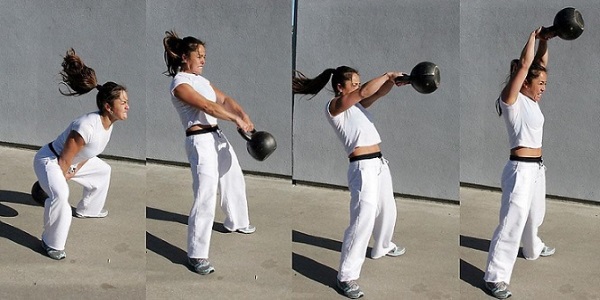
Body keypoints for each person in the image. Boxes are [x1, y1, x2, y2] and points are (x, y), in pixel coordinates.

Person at [293, 66, 408, 299]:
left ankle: (383, 246)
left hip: (379, 164)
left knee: (388, 209)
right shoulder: (334, 107)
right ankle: (345, 277)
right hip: (362, 167)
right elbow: (366, 92)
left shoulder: (356, 106)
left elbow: (376, 93)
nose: (358, 86)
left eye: (358, 83)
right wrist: (387, 74)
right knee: (362, 219)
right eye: (353, 83)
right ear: (340, 87)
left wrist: (394, 83)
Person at [162, 30, 256, 275]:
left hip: (216, 137)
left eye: (205, 56)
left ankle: (237, 222)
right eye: (199, 55)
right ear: (185, 57)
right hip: (199, 141)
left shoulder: (202, 81)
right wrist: (236, 120)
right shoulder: (179, 84)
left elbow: (224, 99)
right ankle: (197, 254)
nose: (203, 60)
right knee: (205, 194)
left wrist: (243, 114)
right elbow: (208, 106)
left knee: (232, 177)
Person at [33, 48, 129, 260]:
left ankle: (89, 209)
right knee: (61, 197)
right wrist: (62, 178)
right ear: (108, 106)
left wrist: (75, 169)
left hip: (68, 161)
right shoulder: (86, 126)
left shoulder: (108, 124)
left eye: (126, 101)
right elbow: (65, 158)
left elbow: (87, 153)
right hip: (49, 160)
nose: (127, 106)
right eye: (122, 102)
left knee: (103, 170)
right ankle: (51, 243)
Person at [484, 27, 556, 299]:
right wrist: (531, 36)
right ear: (524, 81)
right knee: (511, 222)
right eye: (540, 84)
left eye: (545, 85)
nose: (543, 90)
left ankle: (531, 248)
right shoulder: (511, 101)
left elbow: (539, 63)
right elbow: (527, 64)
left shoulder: (532, 101)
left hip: (537, 168)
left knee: (535, 215)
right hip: (520, 170)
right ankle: (494, 278)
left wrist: (545, 42)